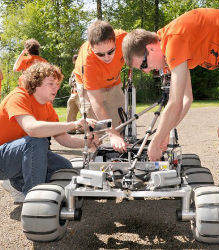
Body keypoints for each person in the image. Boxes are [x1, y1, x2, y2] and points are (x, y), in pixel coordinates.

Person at [122, 8, 219, 224]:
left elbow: (174, 102)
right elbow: (185, 100)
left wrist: (157, 141)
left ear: (150, 47)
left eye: (145, 65)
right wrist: (163, 136)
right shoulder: (172, 43)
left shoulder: (173, 40)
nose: (150, 70)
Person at [0, 62, 99, 204]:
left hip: (20, 155)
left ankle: (18, 182)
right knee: (37, 142)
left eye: (57, 84)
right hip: (3, 160)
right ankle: (34, 200)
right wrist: (73, 124)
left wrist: (87, 142)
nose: (56, 88)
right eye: (51, 83)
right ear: (35, 83)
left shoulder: (47, 106)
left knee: (64, 167)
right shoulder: (18, 97)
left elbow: (64, 139)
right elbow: (32, 128)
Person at [74, 20, 127, 153]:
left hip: (113, 81)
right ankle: (93, 155)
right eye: (100, 54)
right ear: (92, 48)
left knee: (120, 122)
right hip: (88, 86)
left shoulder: (123, 38)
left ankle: (120, 155)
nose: (107, 57)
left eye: (111, 51)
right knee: (94, 128)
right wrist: (111, 134)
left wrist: (115, 132)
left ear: (115, 41)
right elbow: (96, 101)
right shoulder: (88, 62)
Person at [67, 54, 82, 134]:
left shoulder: (82, 69)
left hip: (81, 93)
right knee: (70, 110)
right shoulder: (74, 70)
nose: (76, 61)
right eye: (75, 59)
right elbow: (71, 83)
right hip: (73, 93)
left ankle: (83, 129)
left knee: (84, 111)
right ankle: (71, 128)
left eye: (78, 59)